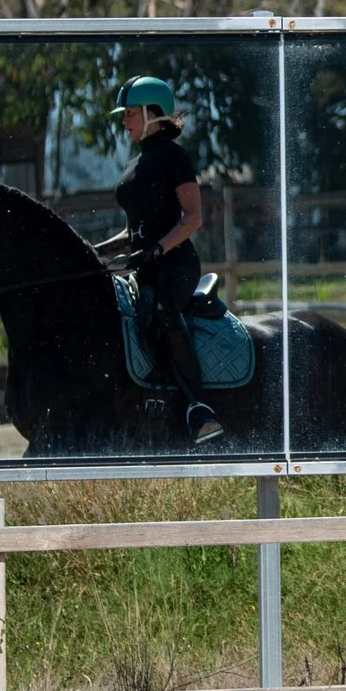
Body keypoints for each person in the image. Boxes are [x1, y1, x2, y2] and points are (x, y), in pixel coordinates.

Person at [111, 77, 224, 446]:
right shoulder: (134, 163)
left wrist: (158, 249)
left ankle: (198, 407)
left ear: (151, 113)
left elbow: (192, 218)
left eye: (129, 113)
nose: (124, 120)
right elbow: (133, 232)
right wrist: (95, 249)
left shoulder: (175, 157)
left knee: (160, 311)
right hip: (145, 263)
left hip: (176, 265)